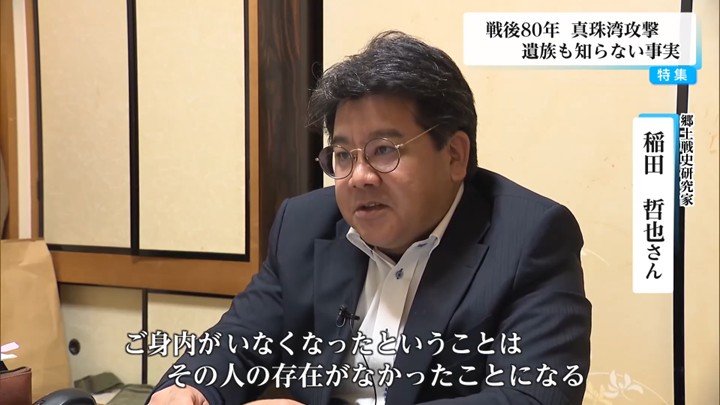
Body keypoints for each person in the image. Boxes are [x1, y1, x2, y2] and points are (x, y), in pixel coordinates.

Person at [149, 31, 591, 405]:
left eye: (384, 150)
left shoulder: (531, 237)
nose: (359, 176)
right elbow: (239, 339)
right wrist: (189, 388)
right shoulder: (304, 223)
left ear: (455, 155)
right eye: (343, 155)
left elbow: (533, 396)